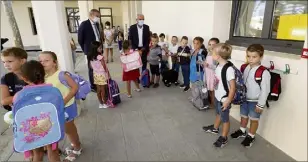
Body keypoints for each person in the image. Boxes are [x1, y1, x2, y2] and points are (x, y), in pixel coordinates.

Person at [38, 51, 82, 161]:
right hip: (54, 109)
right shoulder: (42, 77)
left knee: (69, 129)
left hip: (66, 107)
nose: (43, 63)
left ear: (54, 62)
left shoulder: (62, 75)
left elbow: (74, 87)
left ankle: (77, 147)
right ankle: (74, 143)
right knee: (62, 129)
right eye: (40, 61)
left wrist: (64, 101)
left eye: (46, 60)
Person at [18, 60, 61, 162]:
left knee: (37, 153)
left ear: (23, 78)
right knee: (52, 151)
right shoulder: (54, 91)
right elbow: (59, 110)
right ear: (44, 73)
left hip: (32, 130)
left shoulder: (19, 95)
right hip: (50, 127)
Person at [230, 44, 270, 147]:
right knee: (243, 116)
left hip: (255, 101)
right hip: (244, 98)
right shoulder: (245, 67)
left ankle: (251, 136)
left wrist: (260, 105)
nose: (251, 59)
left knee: (254, 119)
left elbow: (265, 90)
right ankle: (242, 130)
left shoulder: (263, 72)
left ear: (261, 57)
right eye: (248, 56)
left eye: (254, 57)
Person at [202, 43, 236, 148]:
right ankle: (215, 128)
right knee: (218, 113)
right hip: (218, 96)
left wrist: (228, 100)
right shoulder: (218, 65)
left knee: (225, 119)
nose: (211, 54)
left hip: (224, 98)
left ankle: (224, 137)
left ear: (218, 56)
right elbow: (217, 73)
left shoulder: (229, 69)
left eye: (212, 52)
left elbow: (233, 87)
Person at [78, 9, 102, 92]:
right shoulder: (84, 24)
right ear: (91, 15)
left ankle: (99, 81)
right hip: (90, 51)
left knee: (98, 67)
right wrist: (86, 50)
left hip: (98, 50)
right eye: (97, 16)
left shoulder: (97, 24)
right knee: (91, 68)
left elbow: (98, 36)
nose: (98, 18)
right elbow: (80, 39)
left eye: (99, 16)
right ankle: (93, 86)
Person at [0, 47, 27, 111]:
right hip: (16, 111)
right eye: (4, 62)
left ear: (22, 61)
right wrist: (27, 95)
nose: (6, 65)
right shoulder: (6, 78)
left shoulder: (33, 74)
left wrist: (13, 98)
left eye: (9, 61)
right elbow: (4, 101)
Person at [88, 41, 110, 108]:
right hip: (102, 74)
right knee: (103, 89)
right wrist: (107, 72)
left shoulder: (90, 57)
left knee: (98, 89)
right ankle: (105, 103)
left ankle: (100, 104)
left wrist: (96, 68)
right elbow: (104, 66)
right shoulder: (100, 57)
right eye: (100, 48)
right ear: (95, 49)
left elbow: (90, 67)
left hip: (95, 74)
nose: (101, 49)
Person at [189, 37, 208, 109]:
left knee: (200, 89)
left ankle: (202, 104)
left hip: (199, 73)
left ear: (201, 44)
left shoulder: (202, 52)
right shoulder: (193, 51)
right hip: (192, 72)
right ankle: (195, 99)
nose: (195, 45)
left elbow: (206, 63)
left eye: (197, 43)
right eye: (194, 43)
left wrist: (201, 62)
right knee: (194, 87)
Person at [203, 37, 220, 109]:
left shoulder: (216, 55)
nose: (211, 46)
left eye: (213, 44)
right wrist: (204, 64)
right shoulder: (209, 53)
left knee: (213, 90)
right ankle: (211, 102)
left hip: (213, 75)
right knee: (209, 89)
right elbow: (207, 63)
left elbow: (217, 67)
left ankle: (214, 104)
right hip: (207, 74)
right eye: (210, 44)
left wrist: (208, 65)